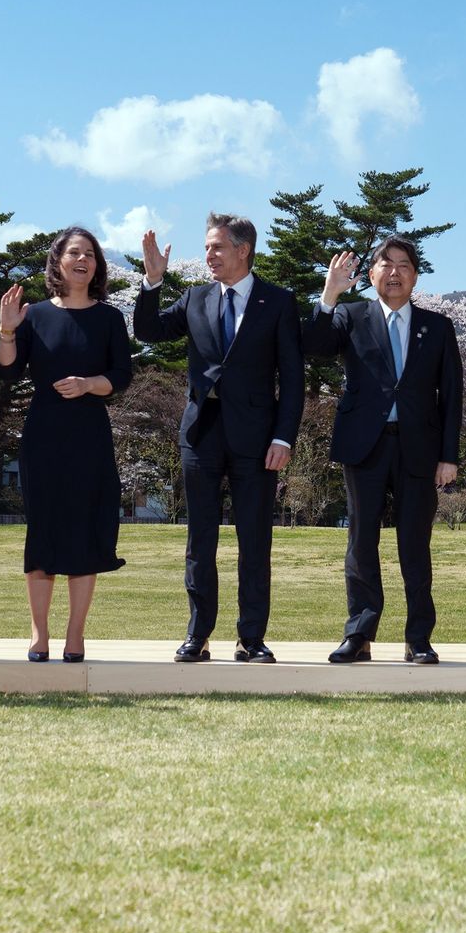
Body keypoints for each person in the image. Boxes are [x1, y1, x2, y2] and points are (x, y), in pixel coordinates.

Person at [132, 214, 303, 662]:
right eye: (207, 247)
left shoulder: (279, 302)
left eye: (217, 248)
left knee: (255, 542)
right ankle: (198, 634)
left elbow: (294, 377)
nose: (208, 255)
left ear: (243, 250)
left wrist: (284, 438)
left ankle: (251, 639)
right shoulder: (194, 298)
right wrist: (152, 283)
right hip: (201, 437)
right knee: (199, 539)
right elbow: (147, 331)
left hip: (258, 441)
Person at [304, 236, 464, 664]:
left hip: (419, 448)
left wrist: (449, 456)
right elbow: (314, 346)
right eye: (385, 264)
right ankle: (359, 634)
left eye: (404, 265)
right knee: (361, 541)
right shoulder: (350, 316)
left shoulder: (438, 326)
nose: (394, 272)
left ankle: (418, 638)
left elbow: (451, 395)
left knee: (416, 544)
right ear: (371, 273)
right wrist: (329, 294)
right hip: (364, 446)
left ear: (415, 275)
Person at [0, 226, 133, 663]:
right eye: (74, 252)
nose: (83, 259)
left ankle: (76, 635)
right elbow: (8, 372)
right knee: (44, 530)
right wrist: (7, 331)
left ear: (97, 265)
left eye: (90, 254)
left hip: (90, 434)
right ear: (58, 261)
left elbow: (122, 376)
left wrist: (91, 383)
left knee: (85, 531)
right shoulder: (34, 314)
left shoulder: (109, 318)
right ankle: (39, 634)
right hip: (44, 435)